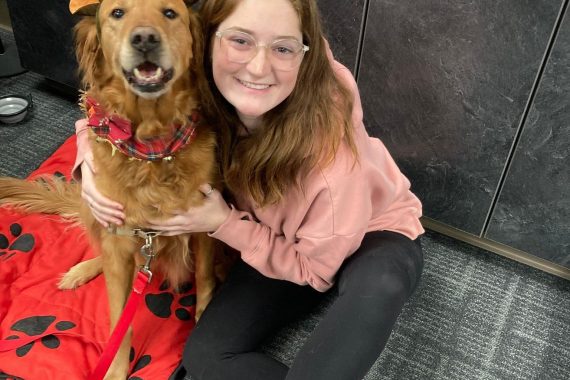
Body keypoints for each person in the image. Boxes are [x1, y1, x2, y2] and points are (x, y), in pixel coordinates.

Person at [75, 0, 425, 379]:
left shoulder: (333, 169)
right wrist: (89, 163)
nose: (258, 68)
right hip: (271, 238)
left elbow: (314, 270)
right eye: (241, 40)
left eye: (282, 48)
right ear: (204, 42)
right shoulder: (207, 81)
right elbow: (112, 107)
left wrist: (225, 223)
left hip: (367, 235)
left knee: (382, 281)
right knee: (206, 356)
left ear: (304, 53)